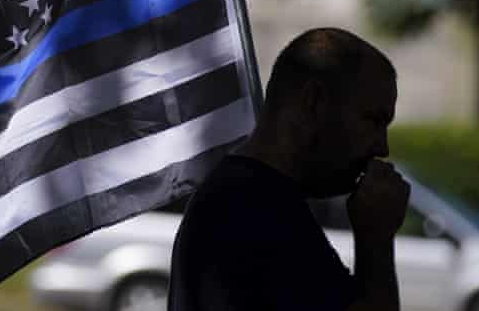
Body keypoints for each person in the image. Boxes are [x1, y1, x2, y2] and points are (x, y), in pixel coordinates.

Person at [168, 28, 410, 311]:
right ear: (314, 102)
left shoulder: (255, 199)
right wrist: (376, 240)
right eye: (373, 120)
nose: (382, 147)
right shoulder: (250, 210)